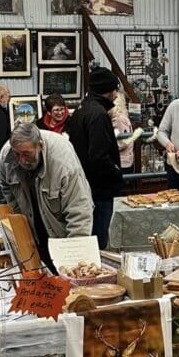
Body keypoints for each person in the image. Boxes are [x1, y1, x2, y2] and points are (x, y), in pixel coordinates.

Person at [0, 125, 93, 272]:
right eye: (17, 154)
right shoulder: (6, 157)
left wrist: (75, 261)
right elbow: (6, 187)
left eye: (26, 154)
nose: (22, 160)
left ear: (40, 146)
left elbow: (79, 211)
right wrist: (20, 221)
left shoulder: (63, 163)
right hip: (33, 234)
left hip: (60, 232)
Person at [65, 67, 123, 250]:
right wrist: (115, 171)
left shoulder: (82, 109)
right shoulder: (98, 115)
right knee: (98, 240)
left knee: (88, 236)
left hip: (84, 183)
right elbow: (98, 156)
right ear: (108, 89)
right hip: (99, 188)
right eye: (115, 89)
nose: (116, 94)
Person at [109, 93, 142, 171]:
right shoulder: (120, 118)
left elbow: (123, 142)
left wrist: (108, 144)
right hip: (123, 160)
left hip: (122, 161)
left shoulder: (119, 119)